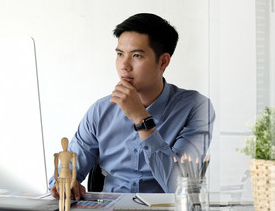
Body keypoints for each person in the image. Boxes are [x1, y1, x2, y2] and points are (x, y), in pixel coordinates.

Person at [49, 13, 215, 200]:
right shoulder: (101, 111)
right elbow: (66, 173)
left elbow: (179, 186)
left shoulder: (196, 107)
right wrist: (64, 184)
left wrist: (142, 120)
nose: (124, 66)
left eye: (136, 55)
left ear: (163, 61)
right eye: (120, 54)